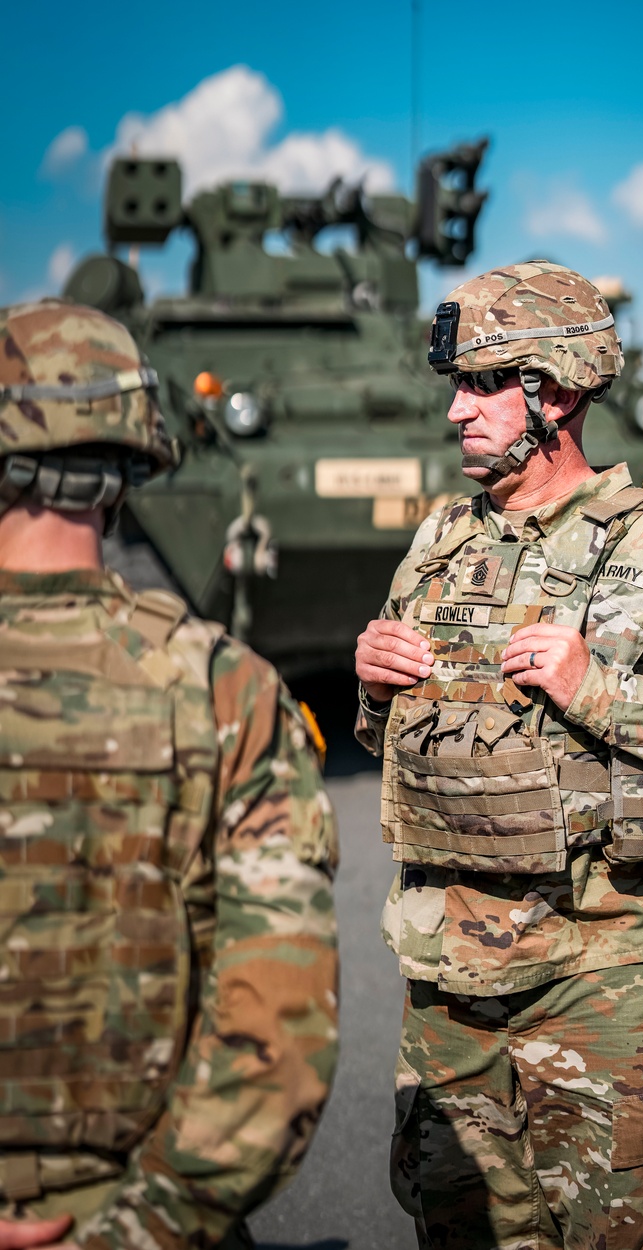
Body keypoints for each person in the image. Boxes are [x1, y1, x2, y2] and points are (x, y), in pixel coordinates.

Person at [354, 261, 643, 1249]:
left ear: (554, 391)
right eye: (457, 385)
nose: (455, 413)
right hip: (448, 984)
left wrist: (598, 689)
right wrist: (375, 678)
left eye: (481, 385)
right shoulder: (440, 539)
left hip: (603, 981)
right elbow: (392, 742)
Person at [0, 300, 339, 1249]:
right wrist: (138, 1233)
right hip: (153, 1214)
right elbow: (277, 1042)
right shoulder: (226, 688)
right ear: (134, 463)